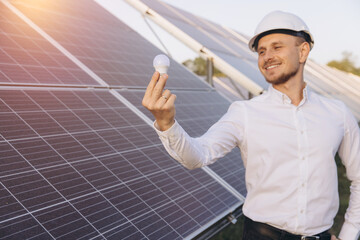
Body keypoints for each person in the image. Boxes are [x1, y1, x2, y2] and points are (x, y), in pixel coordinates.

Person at [142, 11, 360, 240]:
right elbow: (197, 155)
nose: (267, 57)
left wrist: (349, 234)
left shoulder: (337, 114)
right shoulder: (244, 113)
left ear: (303, 51)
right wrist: (166, 123)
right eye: (262, 51)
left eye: (277, 47)